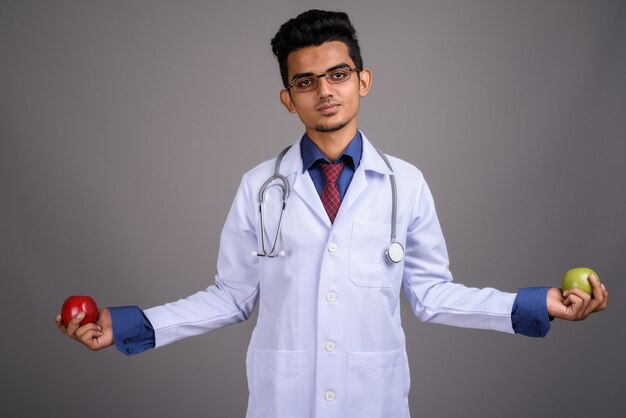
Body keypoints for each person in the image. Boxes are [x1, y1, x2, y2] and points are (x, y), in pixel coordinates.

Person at [56, 9, 608, 418]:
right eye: (305, 81)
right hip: (281, 402)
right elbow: (231, 296)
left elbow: (434, 295)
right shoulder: (259, 187)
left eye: (338, 74)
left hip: (376, 401)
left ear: (363, 81)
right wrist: (133, 325)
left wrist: (541, 303)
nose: (325, 91)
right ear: (287, 98)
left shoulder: (405, 184)